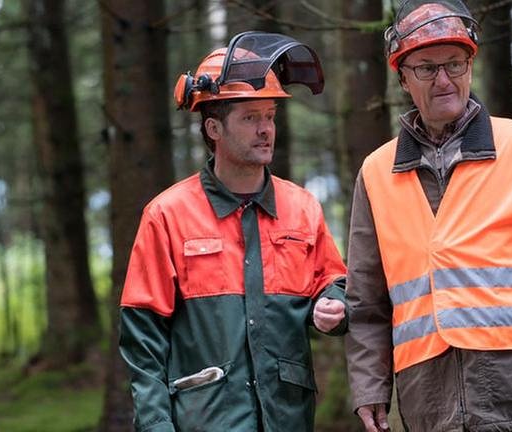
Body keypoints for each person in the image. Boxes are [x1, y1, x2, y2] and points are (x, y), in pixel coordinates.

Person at [344, 1, 512, 431]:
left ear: (470, 67)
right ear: (403, 77)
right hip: (427, 393)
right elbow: (365, 301)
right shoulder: (375, 173)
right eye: (427, 68)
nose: (444, 80)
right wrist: (369, 388)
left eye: (455, 64)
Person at [118, 31, 347, 432]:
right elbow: (143, 340)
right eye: (250, 118)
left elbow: (332, 281)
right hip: (205, 419)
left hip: (288, 418)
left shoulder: (302, 207)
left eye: (270, 116)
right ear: (214, 128)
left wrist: (333, 304)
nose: (265, 130)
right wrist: (155, 425)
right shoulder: (167, 215)